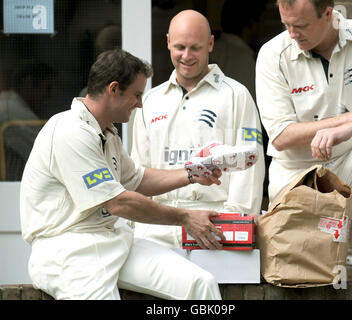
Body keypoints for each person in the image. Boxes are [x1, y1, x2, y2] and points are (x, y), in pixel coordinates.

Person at [20, 49, 225, 300]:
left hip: (112, 239)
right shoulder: (69, 131)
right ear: (113, 89)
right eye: (137, 94)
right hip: (66, 251)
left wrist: (192, 174)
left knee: (200, 284)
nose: (140, 103)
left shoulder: (106, 132)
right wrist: (185, 217)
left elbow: (137, 179)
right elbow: (118, 202)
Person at [131, 10, 265, 248]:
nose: (186, 56)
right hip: (156, 228)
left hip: (212, 226)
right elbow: (137, 172)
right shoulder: (150, 100)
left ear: (210, 44)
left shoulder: (236, 95)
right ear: (168, 43)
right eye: (180, 47)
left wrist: (233, 224)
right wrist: (135, 225)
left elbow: (249, 167)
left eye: (195, 48)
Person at [256, 0, 352, 206]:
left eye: (300, 26)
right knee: (303, 237)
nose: (292, 33)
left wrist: (347, 130)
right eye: (286, 24)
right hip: (296, 177)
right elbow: (281, 135)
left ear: (328, 14)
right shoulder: (272, 54)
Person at [0, 60, 55, 180]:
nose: (48, 96)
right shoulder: (14, 112)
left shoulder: (8, 104)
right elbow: (47, 154)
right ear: (29, 82)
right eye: (46, 88)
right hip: (11, 186)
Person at [210, 0, 268, 99]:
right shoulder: (245, 60)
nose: (263, 27)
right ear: (252, 24)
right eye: (262, 21)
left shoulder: (211, 50)